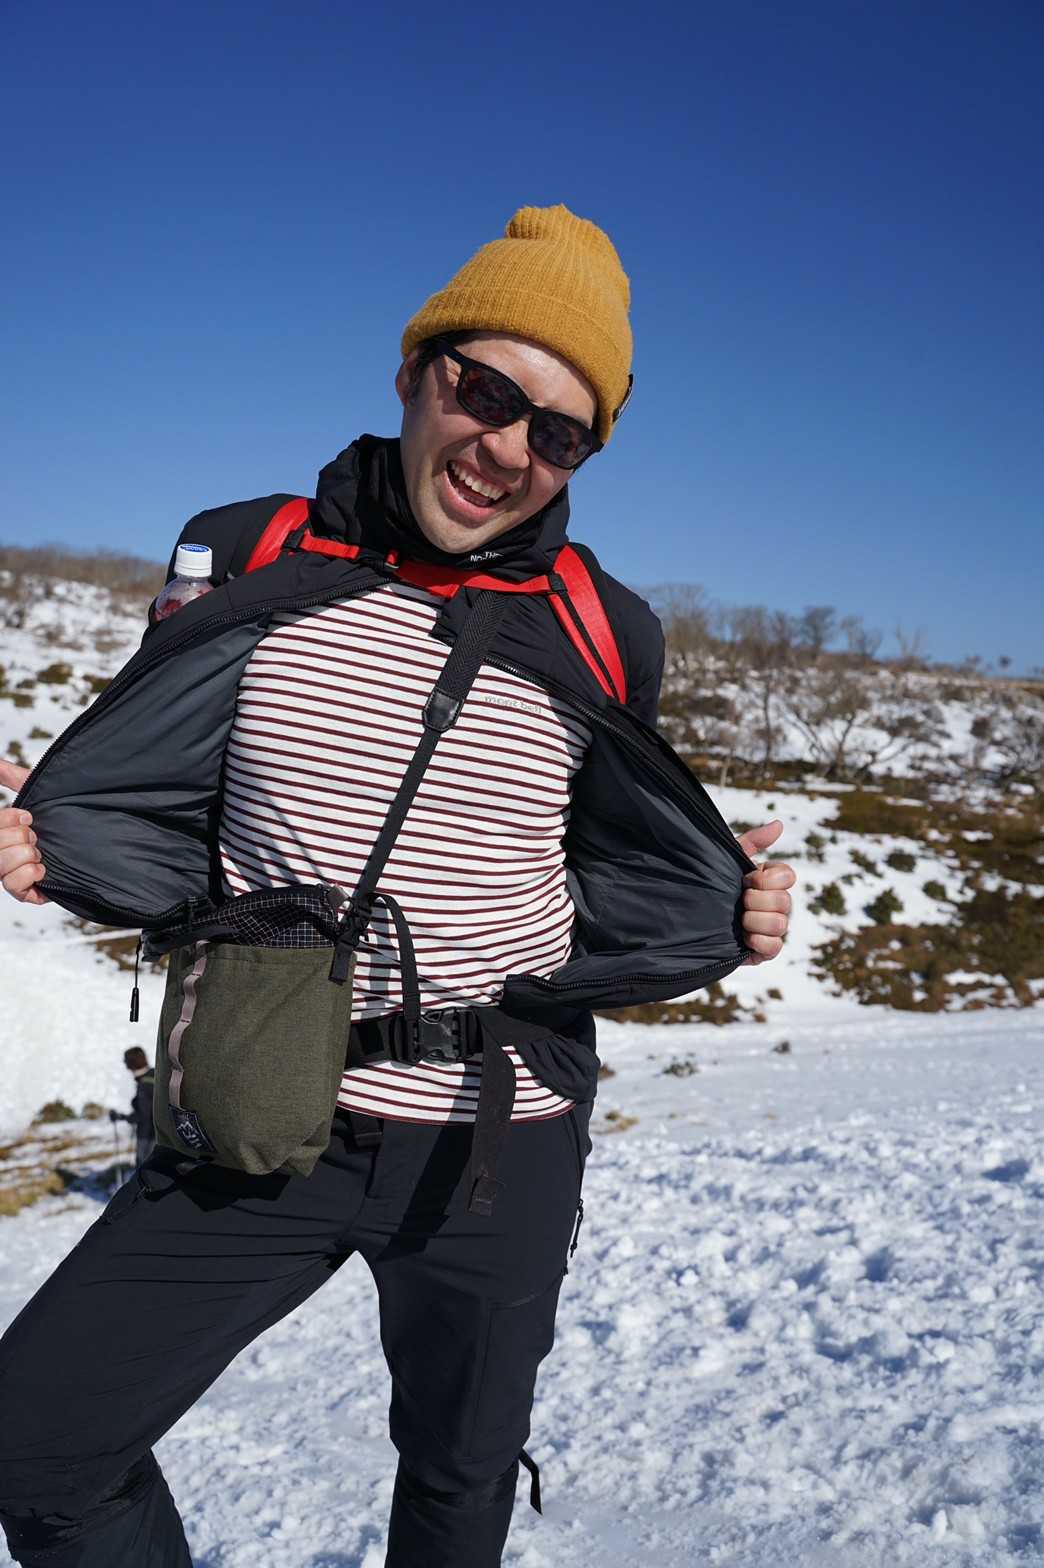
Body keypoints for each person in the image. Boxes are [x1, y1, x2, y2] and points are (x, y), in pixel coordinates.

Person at [0, 204, 796, 1568]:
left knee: (456, 1481)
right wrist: (58, 845)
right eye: (485, 391)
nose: (508, 449)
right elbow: (170, 797)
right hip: (256, 1100)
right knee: (38, 1445)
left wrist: (727, 910)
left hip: (500, 1142)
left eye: (560, 433)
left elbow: (611, 851)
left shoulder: (607, 629)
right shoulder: (251, 554)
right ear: (416, 371)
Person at [108, 1047, 156, 1168]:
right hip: (160, 1136)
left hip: (147, 1137)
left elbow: (144, 1115)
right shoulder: (156, 1075)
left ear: (131, 1064)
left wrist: (121, 1117)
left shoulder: (145, 1084)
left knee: (144, 1170)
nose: (125, 1066)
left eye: (126, 1062)